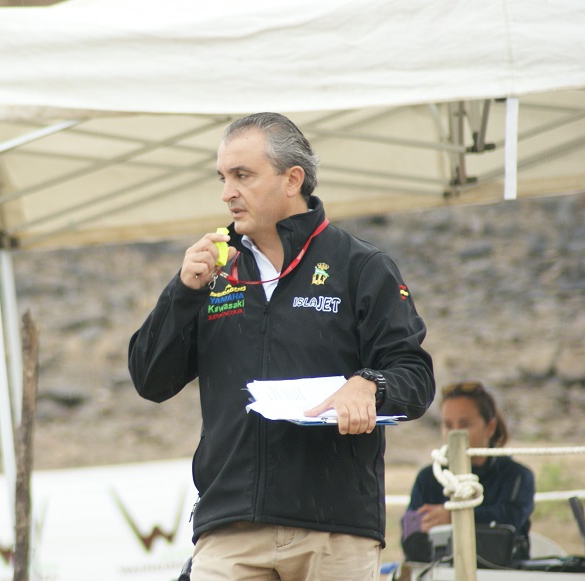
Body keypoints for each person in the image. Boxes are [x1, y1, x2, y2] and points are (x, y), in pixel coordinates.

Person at [128, 112, 435, 581]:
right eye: (223, 177)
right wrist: (183, 292)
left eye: (242, 175)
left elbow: (415, 374)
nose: (227, 192)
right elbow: (150, 380)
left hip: (335, 529)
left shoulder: (360, 266)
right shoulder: (212, 271)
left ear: (292, 179)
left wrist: (369, 384)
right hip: (230, 528)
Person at [403, 380, 535, 561]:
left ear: (490, 427)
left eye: (464, 424)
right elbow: (408, 536)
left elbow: (510, 520)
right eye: (448, 425)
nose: (454, 433)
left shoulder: (517, 476)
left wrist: (455, 517)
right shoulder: (428, 478)